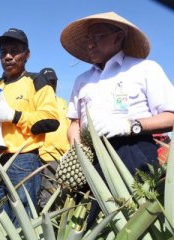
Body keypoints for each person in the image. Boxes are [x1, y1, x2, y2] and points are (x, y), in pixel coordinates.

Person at [61, 11, 174, 175]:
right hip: (92, 155)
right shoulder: (82, 80)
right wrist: (76, 149)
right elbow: (75, 123)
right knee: (94, 201)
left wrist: (130, 126)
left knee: (138, 199)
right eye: (88, 39)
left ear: (118, 37)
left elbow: (170, 116)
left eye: (97, 37)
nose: (90, 45)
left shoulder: (146, 69)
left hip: (134, 151)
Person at [0, 28, 59, 234]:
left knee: (22, 220)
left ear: (27, 55)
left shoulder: (36, 81)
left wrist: (13, 116)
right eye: (3, 51)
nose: (8, 56)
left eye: (14, 51)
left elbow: (50, 120)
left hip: (22, 161)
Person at [37, 67, 70, 209]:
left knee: (64, 197)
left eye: (53, 82)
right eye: (47, 82)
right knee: (46, 198)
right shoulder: (37, 103)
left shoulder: (63, 103)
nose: (51, 85)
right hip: (45, 158)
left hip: (65, 158)